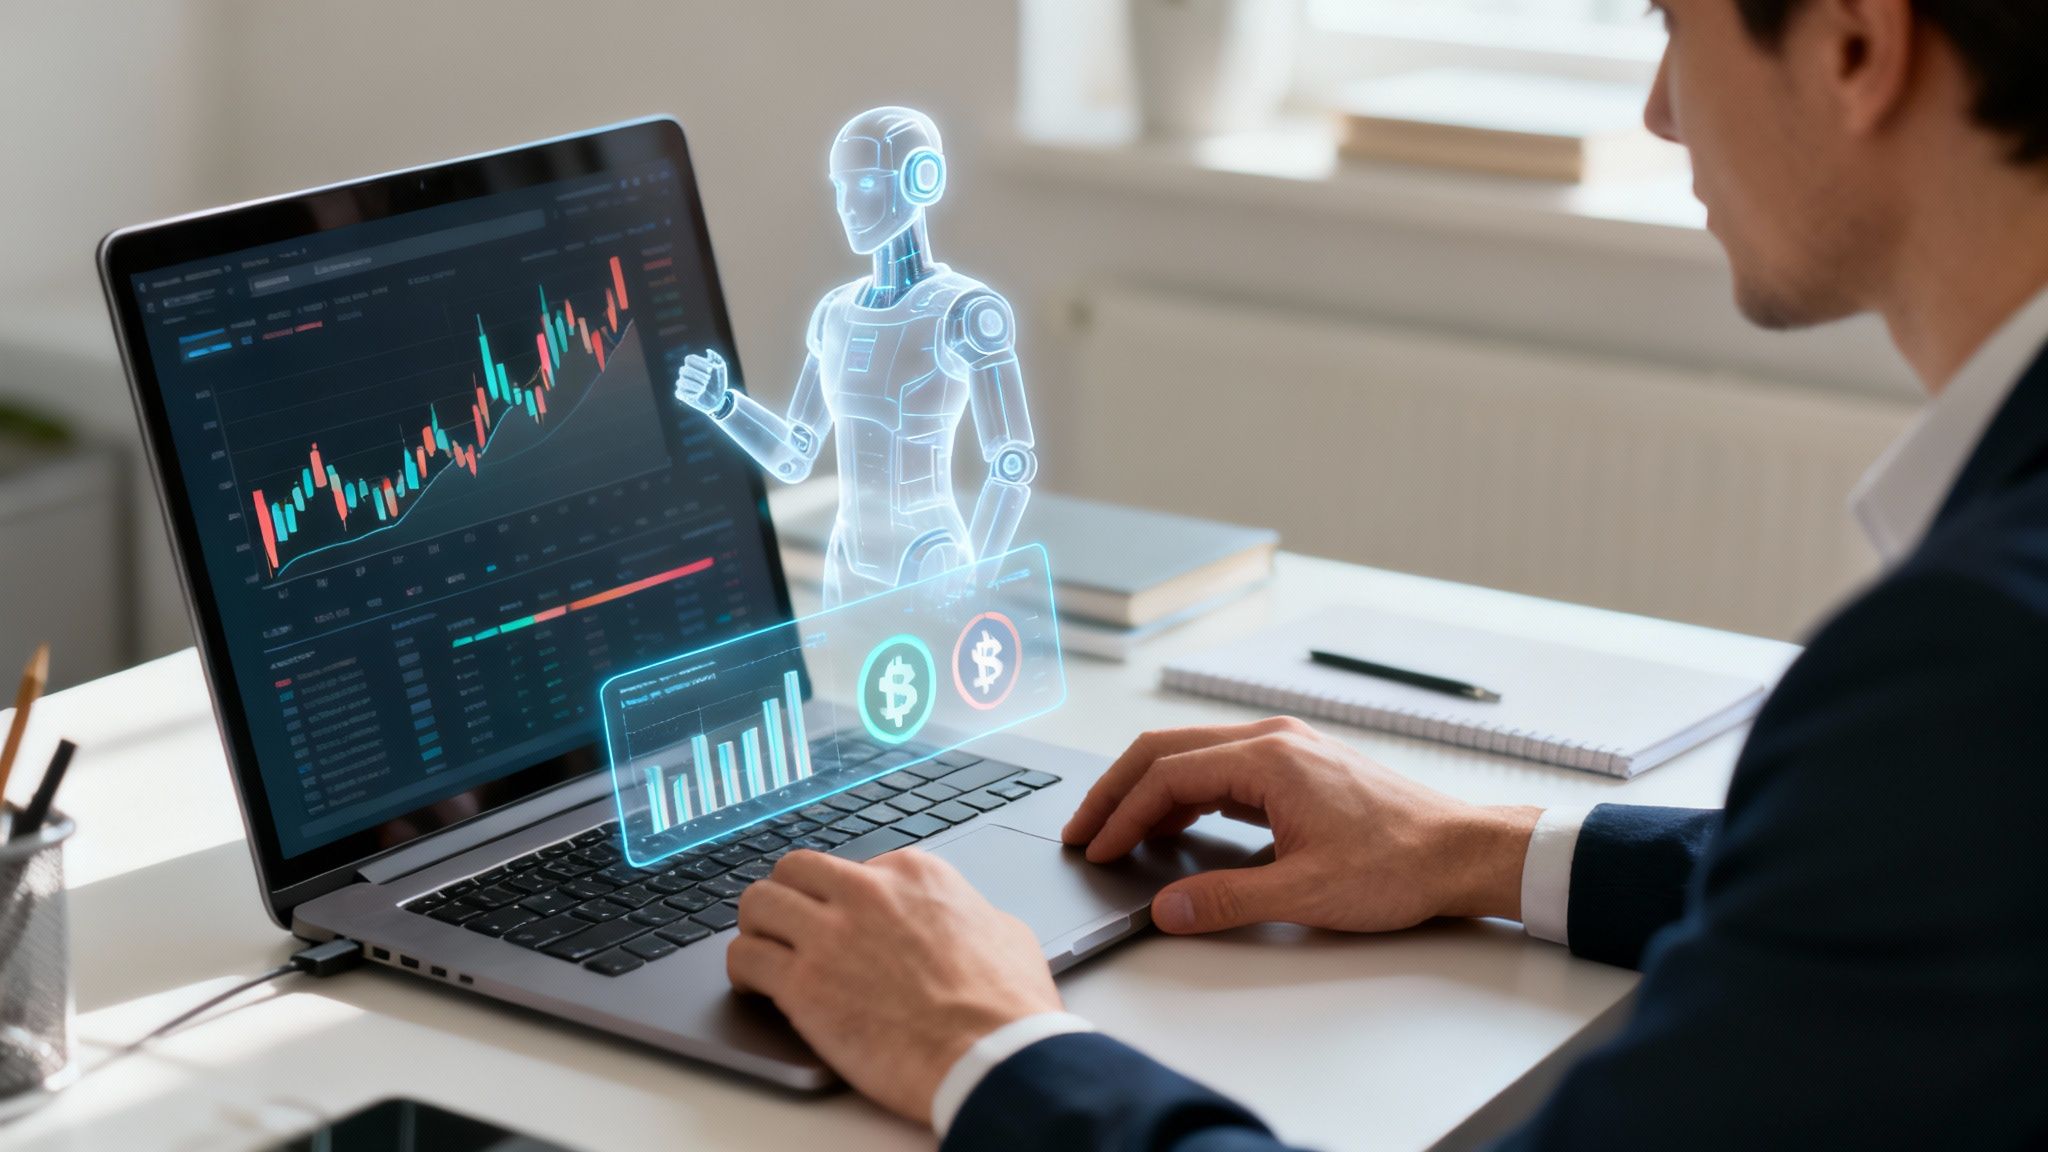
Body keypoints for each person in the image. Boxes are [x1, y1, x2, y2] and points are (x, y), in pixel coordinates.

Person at [724, 0, 2048, 1146]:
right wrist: (1475, 850)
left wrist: (980, 1043)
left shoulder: (1966, 669)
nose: (1658, 111)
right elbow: (1924, 888)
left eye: (1671, 25)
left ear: (1859, 42)